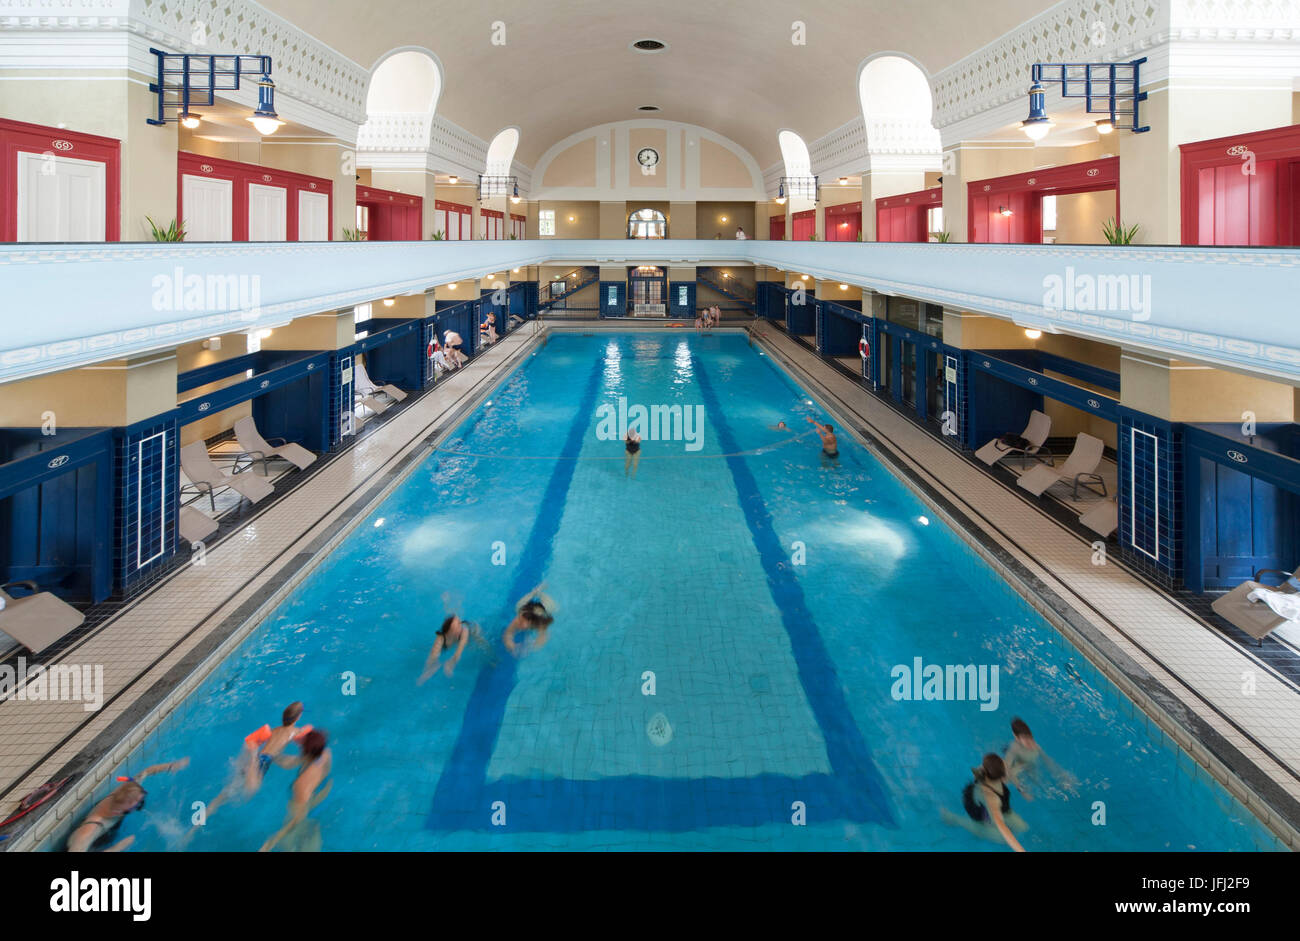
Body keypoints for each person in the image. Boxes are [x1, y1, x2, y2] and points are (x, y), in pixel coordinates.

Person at [204, 703, 310, 818]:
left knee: (225, 794)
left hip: (258, 757)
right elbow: (304, 741)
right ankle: (252, 757)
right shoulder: (295, 731)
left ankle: (199, 821)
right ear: (298, 717)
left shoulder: (274, 730)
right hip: (264, 762)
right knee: (250, 792)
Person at [67, 758, 189, 852]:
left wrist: (171, 766)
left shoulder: (126, 790)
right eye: (134, 807)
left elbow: (146, 771)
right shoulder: (90, 830)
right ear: (118, 811)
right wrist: (116, 848)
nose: (138, 807)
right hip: (94, 845)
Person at [259, 729, 331, 852]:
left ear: (305, 751)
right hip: (324, 795)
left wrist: (270, 843)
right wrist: (271, 755)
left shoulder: (300, 785)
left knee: (286, 845)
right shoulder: (324, 753)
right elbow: (294, 761)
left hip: (306, 810)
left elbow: (296, 821)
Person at [940, 753, 1028, 852]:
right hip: (976, 807)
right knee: (1002, 839)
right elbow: (1001, 826)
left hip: (994, 797)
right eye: (1006, 772)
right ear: (1002, 778)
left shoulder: (994, 768)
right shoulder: (991, 798)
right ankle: (955, 819)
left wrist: (1022, 790)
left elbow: (1011, 773)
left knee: (1023, 827)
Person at [1004, 717, 1076, 799]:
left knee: (1040, 783)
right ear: (1016, 738)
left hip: (1030, 765)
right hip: (1019, 767)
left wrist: (1062, 774)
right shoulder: (1014, 749)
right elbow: (1008, 770)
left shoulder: (1034, 744)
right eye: (1024, 738)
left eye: (1030, 737)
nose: (1029, 742)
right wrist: (1022, 791)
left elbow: (1048, 760)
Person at [504, 583, 557, 656]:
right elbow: (508, 633)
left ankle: (539, 592)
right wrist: (510, 643)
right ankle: (535, 592)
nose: (518, 622)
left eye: (521, 622)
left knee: (553, 607)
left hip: (543, 609)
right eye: (520, 620)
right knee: (518, 606)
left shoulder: (539, 624)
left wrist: (532, 647)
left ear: (531, 623)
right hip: (524, 607)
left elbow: (543, 637)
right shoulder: (520, 617)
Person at [419, 614, 473, 682]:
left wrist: (451, 663)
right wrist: (427, 671)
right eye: (458, 626)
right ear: (450, 631)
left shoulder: (465, 632)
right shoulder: (441, 638)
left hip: (473, 634)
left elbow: (459, 652)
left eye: (460, 623)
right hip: (449, 640)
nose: (461, 626)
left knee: (482, 644)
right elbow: (432, 656)